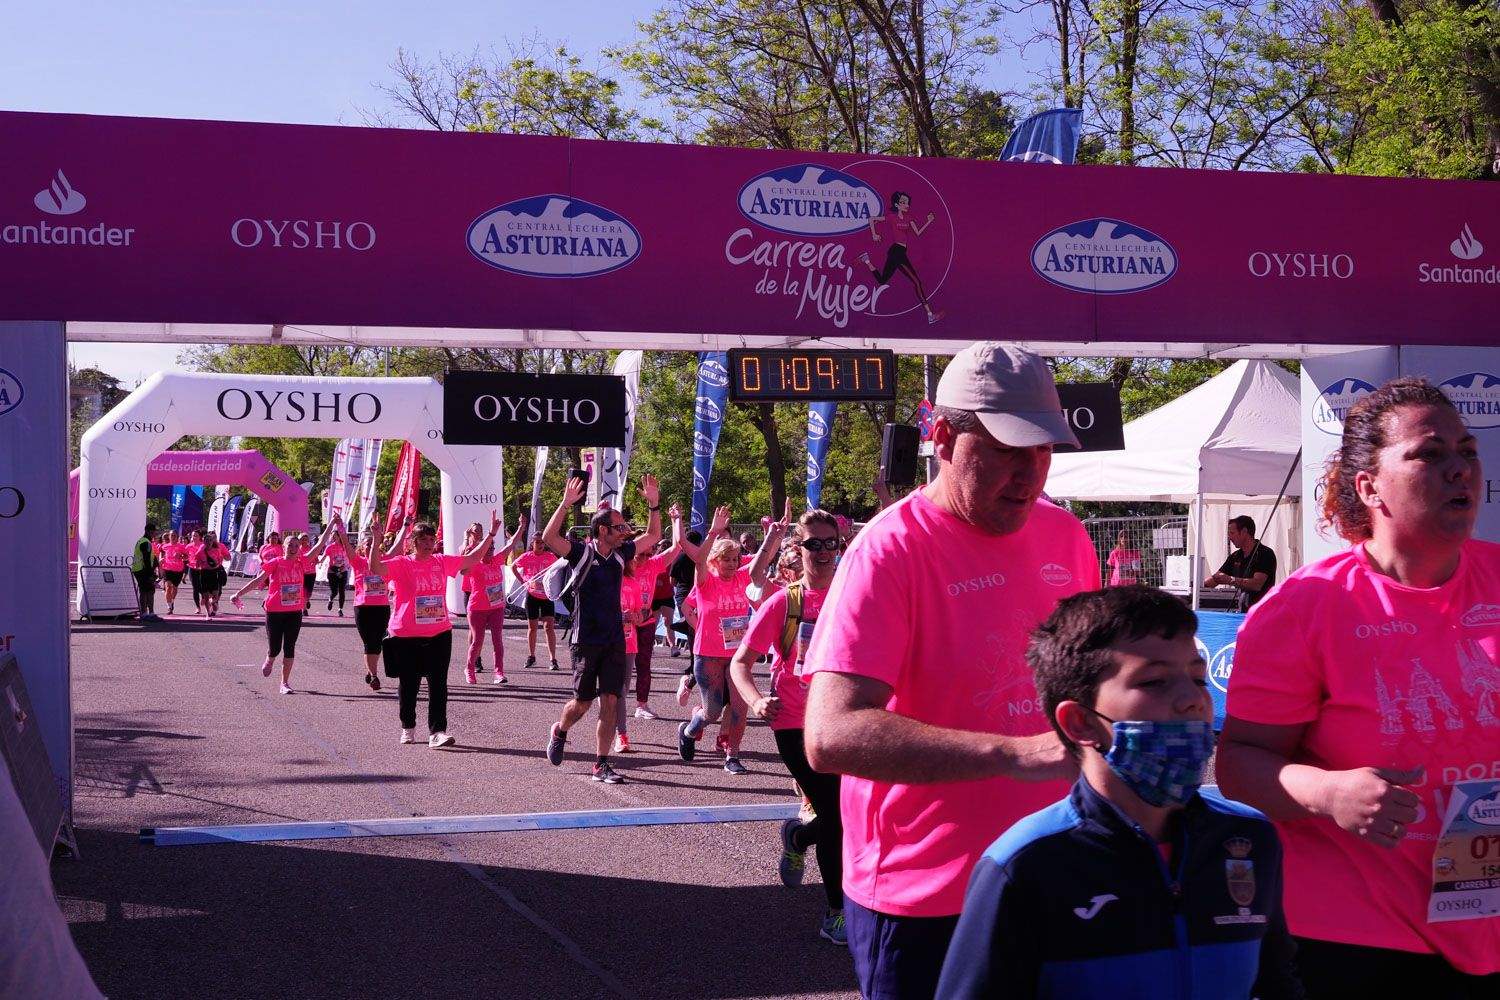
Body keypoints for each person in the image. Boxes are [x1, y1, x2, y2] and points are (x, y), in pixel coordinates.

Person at [802, 342, 1099, 1000]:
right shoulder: (889, 551)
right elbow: (829, 735)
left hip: (1053, 876)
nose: (1030, 474)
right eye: (1006, 449)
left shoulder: (1068, 539)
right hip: (924, 897)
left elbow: (1085, 694)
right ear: (941, 436)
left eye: (1043, 450)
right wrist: (1012, 753)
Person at [1217, 377, 1500, 996]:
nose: (1459, 469)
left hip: (1488, 918)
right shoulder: (1306, 606)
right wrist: (1327, 792)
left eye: (1468, 450)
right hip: (1356, 932)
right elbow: (1238, 764)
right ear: (1369, 487)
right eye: (1430, 454)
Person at [934, 585, 1302, 999]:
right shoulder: (1026, 865)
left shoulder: (1250, 839)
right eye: (1155, 681)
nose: (1193, 700)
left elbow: (1277, 981)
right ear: (1080, 723)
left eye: (1199, 678)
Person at [730, 508, 847, 945]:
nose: (822, 552)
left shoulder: (850, 593)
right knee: (836, 813)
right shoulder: (785, 601)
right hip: (794, 721)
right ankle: (836, 912)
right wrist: (757, 700)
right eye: (813, 544)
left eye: (829, 543)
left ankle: (798, 836)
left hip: (842, 717)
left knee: (846, 813)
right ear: (798, 548)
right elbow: (741, 663)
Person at [542, 473, 662, 785]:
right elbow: (548, 538)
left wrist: (654, 505)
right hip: (585, 640)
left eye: (625, 527)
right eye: (620, 527)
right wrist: (566, 504)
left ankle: (601, 763)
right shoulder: (582, 552)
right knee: (581, 704)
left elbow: (652, 537)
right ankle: (560, 729)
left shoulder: (622, 554)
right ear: (603, 530)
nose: (625, 531)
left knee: (610, 700)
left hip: (614, 640)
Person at [367, 513, 499, 748]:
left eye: (431, 540)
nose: (429, 544)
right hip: (406, 634)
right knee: (409, 684)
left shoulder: (440, 561)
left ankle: (437, 731)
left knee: (439, 683)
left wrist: (490, 535)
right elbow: (375, 568)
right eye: (424, 540)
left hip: (439, 632)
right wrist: (376, 540)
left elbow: (472, 558)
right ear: (414, 542)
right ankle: (408, 726)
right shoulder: (402, 563)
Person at [678, 505, 755, 775]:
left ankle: (732, 755)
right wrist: (714, 530)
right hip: (708, 655)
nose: (733, 564)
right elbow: (697, 559)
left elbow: (764, 560)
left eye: (736, 559)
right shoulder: (705, 581)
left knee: (738, 708)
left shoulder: (742, 577)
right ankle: (689, 730)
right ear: (715, 561)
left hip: (737, 656)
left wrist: (774, 533)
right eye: (727, 559)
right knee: (711, 713)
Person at [230, 520, 338, 694]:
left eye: (297, 545)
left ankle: (284, 683)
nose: (294, 548)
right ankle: (270, 659)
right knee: (275, 647)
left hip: (294, 611)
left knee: (290, 646)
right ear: (284, 546)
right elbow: (258, 580)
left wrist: (332, 523)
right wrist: (239, 594)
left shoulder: (302, 562)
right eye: (291, 545)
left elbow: (319, 545)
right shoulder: (276, 562)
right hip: (274, 610)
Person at [615, 506, 683, 743]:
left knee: (644, 664)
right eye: (640, 554)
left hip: (645, 621)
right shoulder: (621, 570)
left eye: (647, 553)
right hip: (623, 624)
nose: (644, 558)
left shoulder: (654, 565)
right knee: (620, 673)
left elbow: (677, 548)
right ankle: (616, 715)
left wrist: (676, 520)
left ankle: (641, 704)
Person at [461, 513, 527, 685]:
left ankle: (499, 672)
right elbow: (463, 570)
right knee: (477, 641)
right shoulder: (475, 564)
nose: (490, 551)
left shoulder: (498, 559)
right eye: (487, 549)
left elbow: (512, 543)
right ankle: (469, 669)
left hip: (497, 607)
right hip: (477, 608)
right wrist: (469, 545)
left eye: (492, 548)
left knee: (497, 640)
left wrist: (521, 527)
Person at [858, 190, 942, 325]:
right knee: (917, 282)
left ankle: (866, 260)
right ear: (897, 205)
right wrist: (874, 234)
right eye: (903, 202)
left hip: (899, 252)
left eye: (907, 202)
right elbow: (871, 219)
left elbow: (918, 232)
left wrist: (928, 221)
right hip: (897, 252)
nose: (906, 204)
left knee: (882, 280)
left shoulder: (909, 218)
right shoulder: (892, 216)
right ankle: (930, 314)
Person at [1203, 515, 1277, 611]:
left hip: (1262, 613)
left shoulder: (1265, 553)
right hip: (1242, 612)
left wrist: (1231, 580)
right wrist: (1195, 587)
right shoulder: (1235, 556)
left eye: (1232, 533)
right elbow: (1216, 579)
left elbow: (1257, 584)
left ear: (1244, 532)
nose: (1229, 537)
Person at [513, 534, 561, 671]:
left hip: (546, 596)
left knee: (549, 627)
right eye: (538, 542)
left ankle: (553, 659)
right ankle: (531, 656)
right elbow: (513, 567)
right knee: (532, 627)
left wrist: (555, 585)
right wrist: (523, 581)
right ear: (532, 543)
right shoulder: (527, 556)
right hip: (532, 595)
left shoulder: (550, 556)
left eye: (543, 542)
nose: (541, 545)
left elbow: (559, 570)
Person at [195, 530, 230, 618]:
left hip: (215, 573)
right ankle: (208, 614)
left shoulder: (218, 549)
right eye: (206, 541)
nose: (209, 542)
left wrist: (214, 563)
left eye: (210, 540)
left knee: (216, 594)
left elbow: (222, 561)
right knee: (206, 596)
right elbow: (197, 564)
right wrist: (202, 564)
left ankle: (213, 603)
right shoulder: (200, 551)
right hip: (204, 573)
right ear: (204, 542)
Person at [132, 521, 160, 622]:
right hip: (142, 570)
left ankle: (148, 613)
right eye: (153, 532)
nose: (155, 534)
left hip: (139, 569)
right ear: (148, 531)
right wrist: (151, 574)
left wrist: (155, 563)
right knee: (147, 591)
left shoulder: (143, 541)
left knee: (147, 590)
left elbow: (150, 557)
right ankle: (146, 613)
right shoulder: (145, 542)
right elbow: (146, 559)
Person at [158, 529, 188, 614]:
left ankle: (172, 601)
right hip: (167, 569)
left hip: (178, 570)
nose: (173, 537)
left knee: (174, 588)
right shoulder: (164, 546)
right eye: (171, 535)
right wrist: (161, 559)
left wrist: (181, 556)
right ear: (169, 537)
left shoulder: (181, 546)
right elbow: (161, 553)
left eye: (174, 535)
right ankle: (169, 606)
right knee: (168, 587)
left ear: (177, 537)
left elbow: (186, 557)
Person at [324, 534, 350, 616]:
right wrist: (317, 561)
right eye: (332, 535)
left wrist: (345, 566)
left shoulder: (345, 547)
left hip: (343, 570)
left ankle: (340, 609)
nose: (333, 537)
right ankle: (330, 599)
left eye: (335, 535)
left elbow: (349, 557)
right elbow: (323, 557)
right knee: (334, 591)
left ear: (339, 536)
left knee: (342, 590)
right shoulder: (329, 547)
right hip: (333, 571)